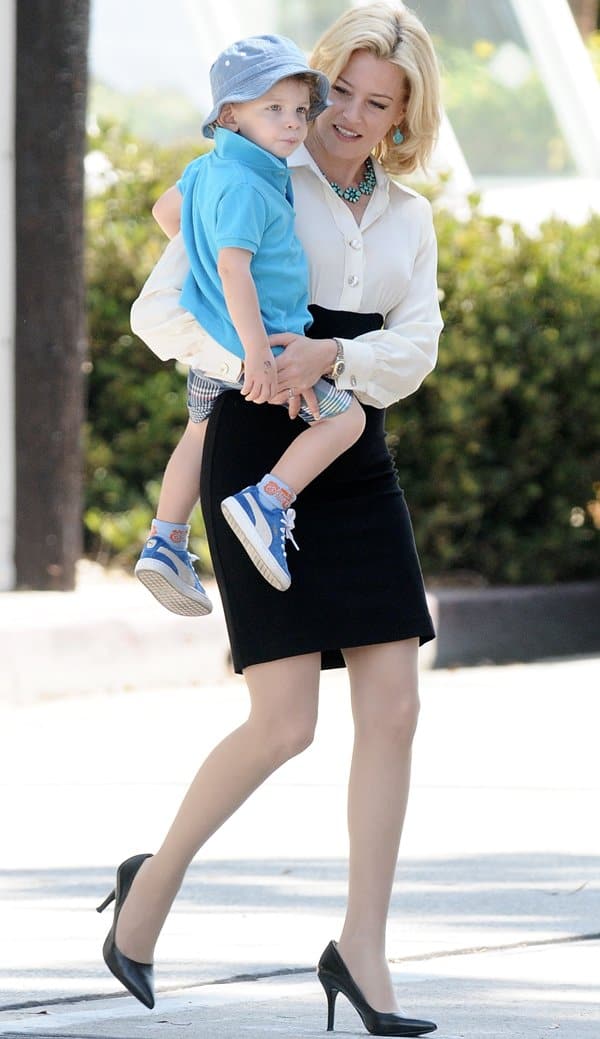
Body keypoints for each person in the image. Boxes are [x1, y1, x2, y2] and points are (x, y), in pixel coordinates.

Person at [99, 3, 443, 1035]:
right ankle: (149, 889)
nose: (348, 115)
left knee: (394, 708)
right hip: (259, 442)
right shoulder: (254, 170)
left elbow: (414, 344)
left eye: (378, 105)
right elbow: (162, 313)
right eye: (340, 89)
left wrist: (330, 360)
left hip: (349, 443)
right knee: (285, 722)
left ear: (401, 119)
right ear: (314, 78)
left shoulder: (408, 219)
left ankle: (362, 951)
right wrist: (260, 367)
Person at [133, 34, 365, 616]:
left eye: (297, 110)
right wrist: (258, 354)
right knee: (346, 421)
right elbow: (236, 269)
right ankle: (268, 500)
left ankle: (166, 539)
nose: (292, 124)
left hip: (216, 344)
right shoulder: (249, 186)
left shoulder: (209, 168)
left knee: (199, 430)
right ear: (230, 115)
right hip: (262, 344)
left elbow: (167, 212)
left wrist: (207, 273)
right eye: (273, 110)